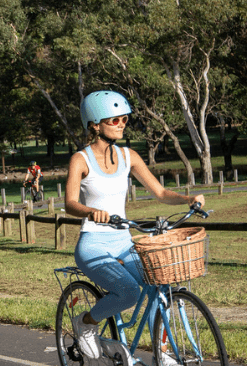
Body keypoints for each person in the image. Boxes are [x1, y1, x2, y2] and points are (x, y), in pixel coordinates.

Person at [65, 90, 205, 362]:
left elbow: (161, 193)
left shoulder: (129, 156)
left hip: (124, 242)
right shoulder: (80, 160)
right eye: (114, 120)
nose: (121, 125)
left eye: (124, 120)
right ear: (95, 124)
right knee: (128, 292)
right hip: (93, 245)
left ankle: (161, 354)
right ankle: (86, 321)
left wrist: (188, 199)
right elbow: (70, 203)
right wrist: (92, 212)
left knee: (158, 282)